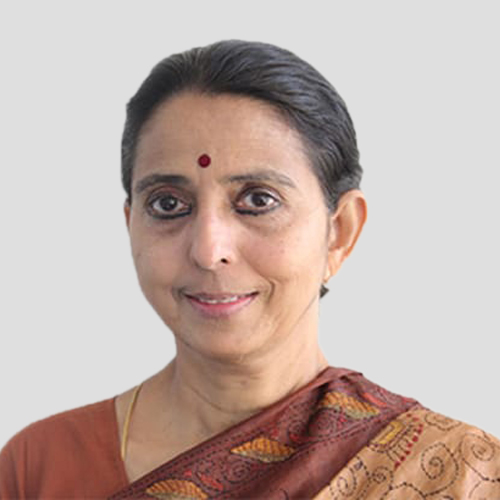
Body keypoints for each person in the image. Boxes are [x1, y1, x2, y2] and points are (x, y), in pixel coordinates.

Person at [0, 40, 498, 499]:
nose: (208, 250)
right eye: (168, 204)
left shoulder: (456, 474)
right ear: (131, 225)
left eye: (258, 201)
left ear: (340, 231)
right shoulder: (42, 465)